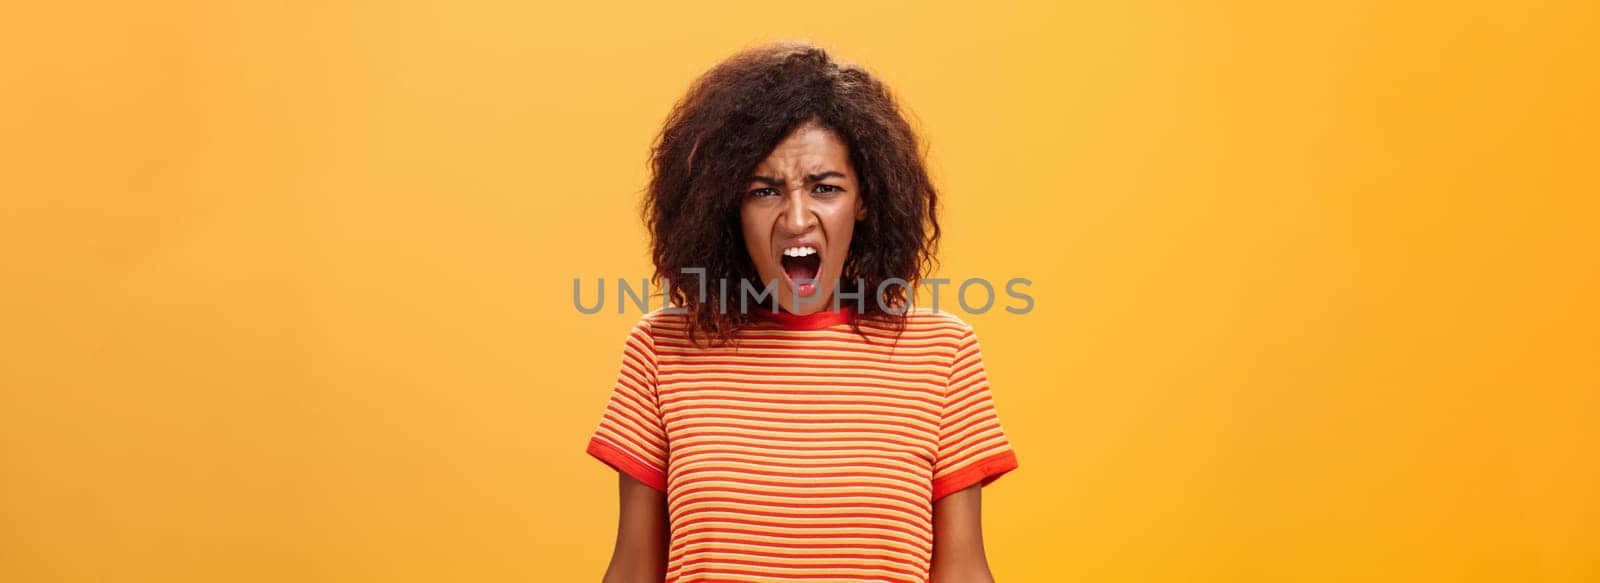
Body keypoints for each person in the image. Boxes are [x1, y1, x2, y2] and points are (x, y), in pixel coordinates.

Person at [586, 40, 1018, 582]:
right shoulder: (662, 348)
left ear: (864, 199)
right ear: (728, 205)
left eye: (825, 187)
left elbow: (963, 572)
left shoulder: (941, 353)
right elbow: (632, 569)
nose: (796, 219)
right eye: (764, 190)